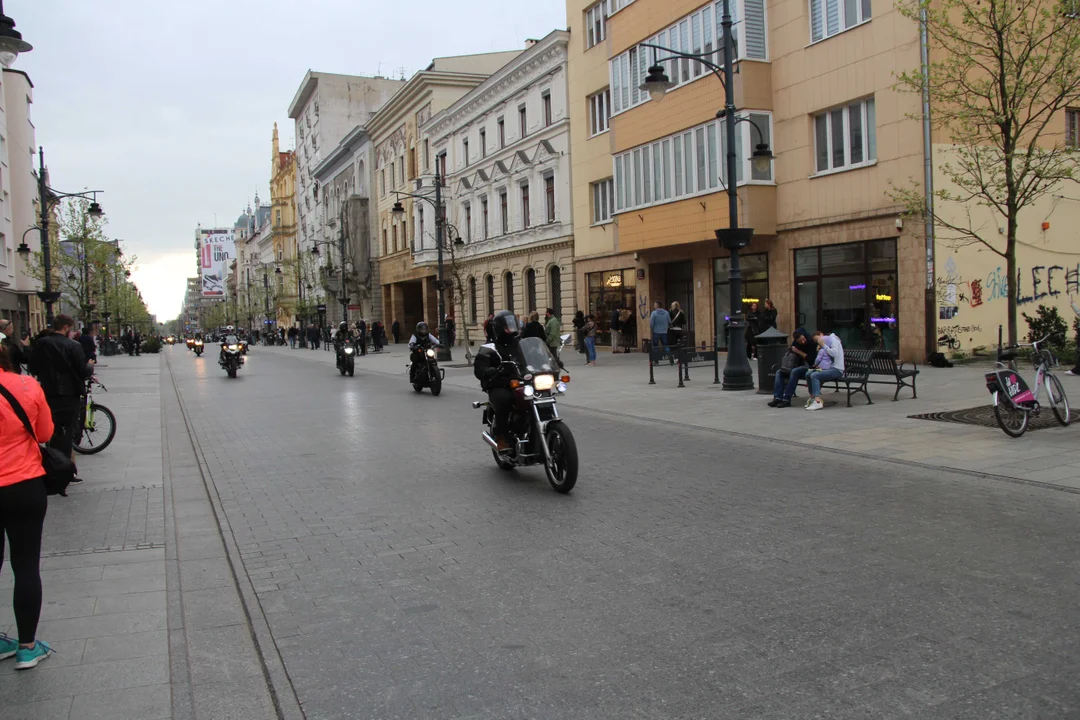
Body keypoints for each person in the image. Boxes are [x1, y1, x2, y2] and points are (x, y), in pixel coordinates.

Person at [0, 336, 56, 670]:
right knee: (25, 565)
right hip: (24, 485)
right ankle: (27, 646)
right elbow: (46, 432)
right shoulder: (26, 385)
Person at [28, 315, 93, 485]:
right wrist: (90, 365)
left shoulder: (41, 344)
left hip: (47, 392)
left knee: (51, 430)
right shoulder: (74, 346)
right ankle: (64, 469)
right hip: (69, 394)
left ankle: (51, 466)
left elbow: (32, 367)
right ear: (66, 327)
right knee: (68, 432)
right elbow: (83, 370)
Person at [474, 311, 522, 450]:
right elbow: (479, 367)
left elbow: (533, 355)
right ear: (500, 328)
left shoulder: (519, 344)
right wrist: (487, 371)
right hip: (499, 384)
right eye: (508, 326)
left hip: (519, 381)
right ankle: (501, 436)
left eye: (513, 325)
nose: (511, 329)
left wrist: (550, 361)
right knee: (504, 399)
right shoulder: (489, 347)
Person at [767, 328, 816, 408]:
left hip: (808, 367)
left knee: (794, 372)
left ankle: (787, 399)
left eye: (803, 339)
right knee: (779, 372)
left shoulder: (811, 342)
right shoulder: (795, 343)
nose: (803, 342)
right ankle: (778, 397)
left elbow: (811, 360)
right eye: (800, 341)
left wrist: (798, 352)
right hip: (796, 365)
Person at [805, 329, 845, 411]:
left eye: (818, 339)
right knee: (808, 373)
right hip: (829, 368)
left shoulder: (833, 340)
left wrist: (823, 345)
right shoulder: (827, 342)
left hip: (837, 369)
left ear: (821, 335)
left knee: (815, 375)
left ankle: (817, 401)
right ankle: (812, 398)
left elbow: (834, 353)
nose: (818, 341)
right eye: (816, 341)